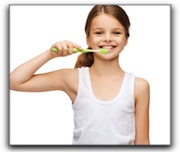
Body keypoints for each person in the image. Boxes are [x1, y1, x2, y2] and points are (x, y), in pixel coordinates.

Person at [10, 5, 150, 145]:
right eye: (99, 33)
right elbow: (14, 82)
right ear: (88, 39)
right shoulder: (73, 79)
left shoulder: (138, 86)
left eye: (116, 33)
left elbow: (143, 143)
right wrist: (50, 54)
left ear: (126, 39)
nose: (107, 38)